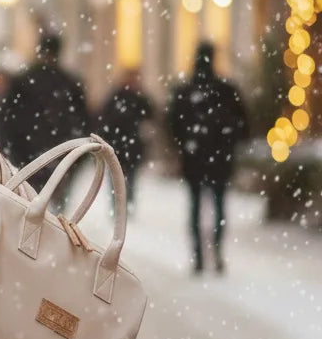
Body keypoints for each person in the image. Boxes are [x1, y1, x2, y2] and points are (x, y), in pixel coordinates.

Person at [167, 41, 249, 273]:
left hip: (194, 158)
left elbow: (173, 124)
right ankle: (217, 251)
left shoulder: (186, 91)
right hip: (220, 158)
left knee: (195, 207)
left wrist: (184, 144)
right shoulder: (226, 90)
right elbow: (243, 123)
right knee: (219, 206)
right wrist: (228, 142)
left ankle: (199, 257)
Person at [0, 27, 90, 190]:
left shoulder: (23, 80)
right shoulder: (70, 82)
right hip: (61, 152)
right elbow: (84, 120)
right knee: (55, 203)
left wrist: (12, 149)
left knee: (32, 200)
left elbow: (7, 118)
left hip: (28, 153)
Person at [97, 67, 156, 211]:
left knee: (130, 179)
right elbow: (105, 120)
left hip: (132, 146)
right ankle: (119, 205)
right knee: (117, 178)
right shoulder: (117, 97)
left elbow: (149, 117)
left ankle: (126, 204)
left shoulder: (139, 99)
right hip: (119, 146)